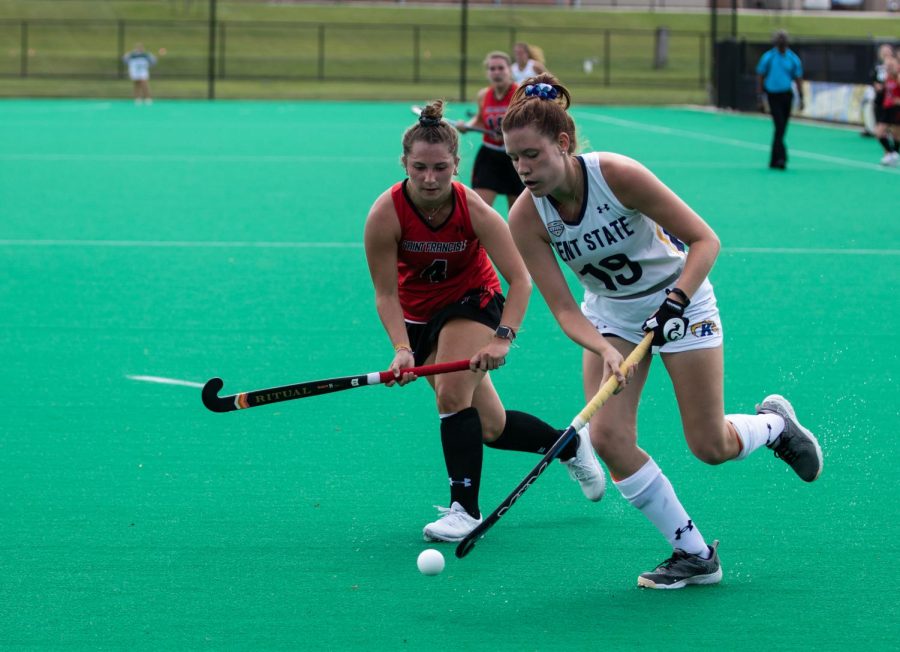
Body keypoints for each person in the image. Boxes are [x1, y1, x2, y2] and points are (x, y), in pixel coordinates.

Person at [502, 74, 823, 589]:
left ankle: (775, 426)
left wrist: (675, 301)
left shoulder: (617, 175)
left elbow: (704, 240)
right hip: (612, 315)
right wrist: (603, 349)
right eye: (514, 158)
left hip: (683, 298)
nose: (522, 169)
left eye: (531, 155)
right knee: (608, 438)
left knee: (709, 445)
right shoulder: (525, 217)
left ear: (562, 144)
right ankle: (693, 553)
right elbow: (564, 309)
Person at [363, 101, 607, 543]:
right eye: (419, 167)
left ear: (457, 164)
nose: (430, 178)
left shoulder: (473, 208)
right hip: (419, 321)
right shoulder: (386, 214)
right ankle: (569, 444)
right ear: (404, 164)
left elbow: (520, 280)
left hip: (473, 303)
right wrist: (402, 348)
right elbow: (385, 294)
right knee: (490, 427)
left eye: (441, 167)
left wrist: (503, 339)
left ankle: (465, 510)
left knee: (453, 395)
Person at [456, 52, 523, 211]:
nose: (497, 72)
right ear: (488, 72)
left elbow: (531, 122)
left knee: (516, 212)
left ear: (510, 71)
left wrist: (510, 134)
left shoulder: (520, 94)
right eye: (492, 69)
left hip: (515, 157)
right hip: (489, 156)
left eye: (501, 68)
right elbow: (480, 120)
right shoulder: (484, 95)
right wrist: (466, 126)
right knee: (480, 209)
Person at [756, 30, 804, 170]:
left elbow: (798, 77)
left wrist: (801, 96)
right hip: (773, 95)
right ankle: (782, 157)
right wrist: (760, 96)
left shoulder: (792, 58)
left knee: (781, 128)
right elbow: (760, 75)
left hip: (786, 95)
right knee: (779, 125)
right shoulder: (769, 57)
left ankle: (773, 159)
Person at [874, 49, 900, 166]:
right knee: (881, 132)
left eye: (891, 64)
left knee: (895, 133)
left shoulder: (898, 76)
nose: (888, 66)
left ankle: (892, 153)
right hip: (887, 107)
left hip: (895, 108)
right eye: (887, 64)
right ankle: (892, 153)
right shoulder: (888, 76)